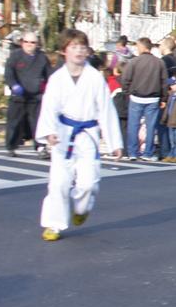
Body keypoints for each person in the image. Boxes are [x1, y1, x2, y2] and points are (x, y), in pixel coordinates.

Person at [37, 29, 123, 242]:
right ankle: (53, 224)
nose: (78, 51)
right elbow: (49, 107)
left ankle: (81, 209)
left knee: (88, 184)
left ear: (87, 52)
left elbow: (106, 110)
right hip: (63, 134)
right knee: (58, 183)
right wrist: (49, 132)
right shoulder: (57, 79)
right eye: (74, 47)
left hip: (87, 136)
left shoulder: (94, 78)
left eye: (82, 47)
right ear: (64, 51)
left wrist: (114, 142)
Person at [4, 30, 51, 157]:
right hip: (18, 96)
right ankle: (11, 146)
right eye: (26, 42)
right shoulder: (15, 56)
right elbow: (9, 73)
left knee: (37, 122)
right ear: (22, 42)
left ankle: (41, 147)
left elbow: (49, 76)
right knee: (14, 122)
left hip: (35, 96)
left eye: (33, 42)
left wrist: (48, 89)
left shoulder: (42, 57)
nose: (29, 44)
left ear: (37, 44)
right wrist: (13, 85)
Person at [121, 37, 168, 161]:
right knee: (151, 126)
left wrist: (127, 92)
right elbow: (164, 81)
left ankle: (132, 152)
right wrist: (164, 98)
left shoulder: (134, 62)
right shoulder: (159, 62)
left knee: (133, 126)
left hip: (136, 97)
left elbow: (125, 79)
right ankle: (148, 152)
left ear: (142, 47)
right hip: (153, 98)